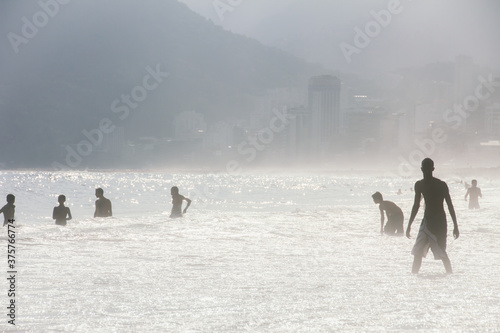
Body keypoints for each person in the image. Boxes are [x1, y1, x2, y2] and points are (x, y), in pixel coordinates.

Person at [406, 158, 459, 274]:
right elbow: (416, 205)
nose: (426, 171)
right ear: (421, 169)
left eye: (428, 168)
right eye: (425, 168)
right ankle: (413, 278)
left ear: (433, 169)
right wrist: (409, 225)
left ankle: (450, 276)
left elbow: (450, 205)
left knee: (442, 251)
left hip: (439, 223)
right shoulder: (419, 185)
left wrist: (455, 225)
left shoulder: (441, 185)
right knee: (418, 252)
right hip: (426, 222)